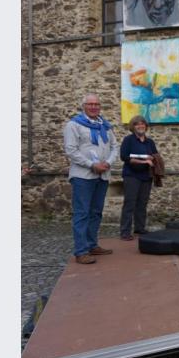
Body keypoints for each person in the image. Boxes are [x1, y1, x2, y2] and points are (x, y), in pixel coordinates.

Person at [63, 94, 118, 264]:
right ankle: (81, 251)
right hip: (83, 176)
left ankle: (92, 244)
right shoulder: (74, 125)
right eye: (90, 104)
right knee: (82, 213)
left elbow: (114, 147)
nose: (94, 107)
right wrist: (91, 165)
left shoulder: (105, 126)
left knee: (96, 212)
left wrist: (107, 163)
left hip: (102, 175)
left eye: (97, 104)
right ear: (84, 106)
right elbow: (71, 150)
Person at [119, 115, 159, 240]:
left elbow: (154, 155)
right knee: (129, 203)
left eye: (142, 124)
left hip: (146, 176)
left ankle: (139, 228)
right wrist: (144, 161)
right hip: (131, 176)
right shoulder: (128, 140)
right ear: (133, 126)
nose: (140, 126)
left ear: (145, 127)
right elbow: (124, 157)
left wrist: (153, 158)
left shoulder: (150, 142)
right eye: (137, 124)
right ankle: (125, 231)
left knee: (142, 203)